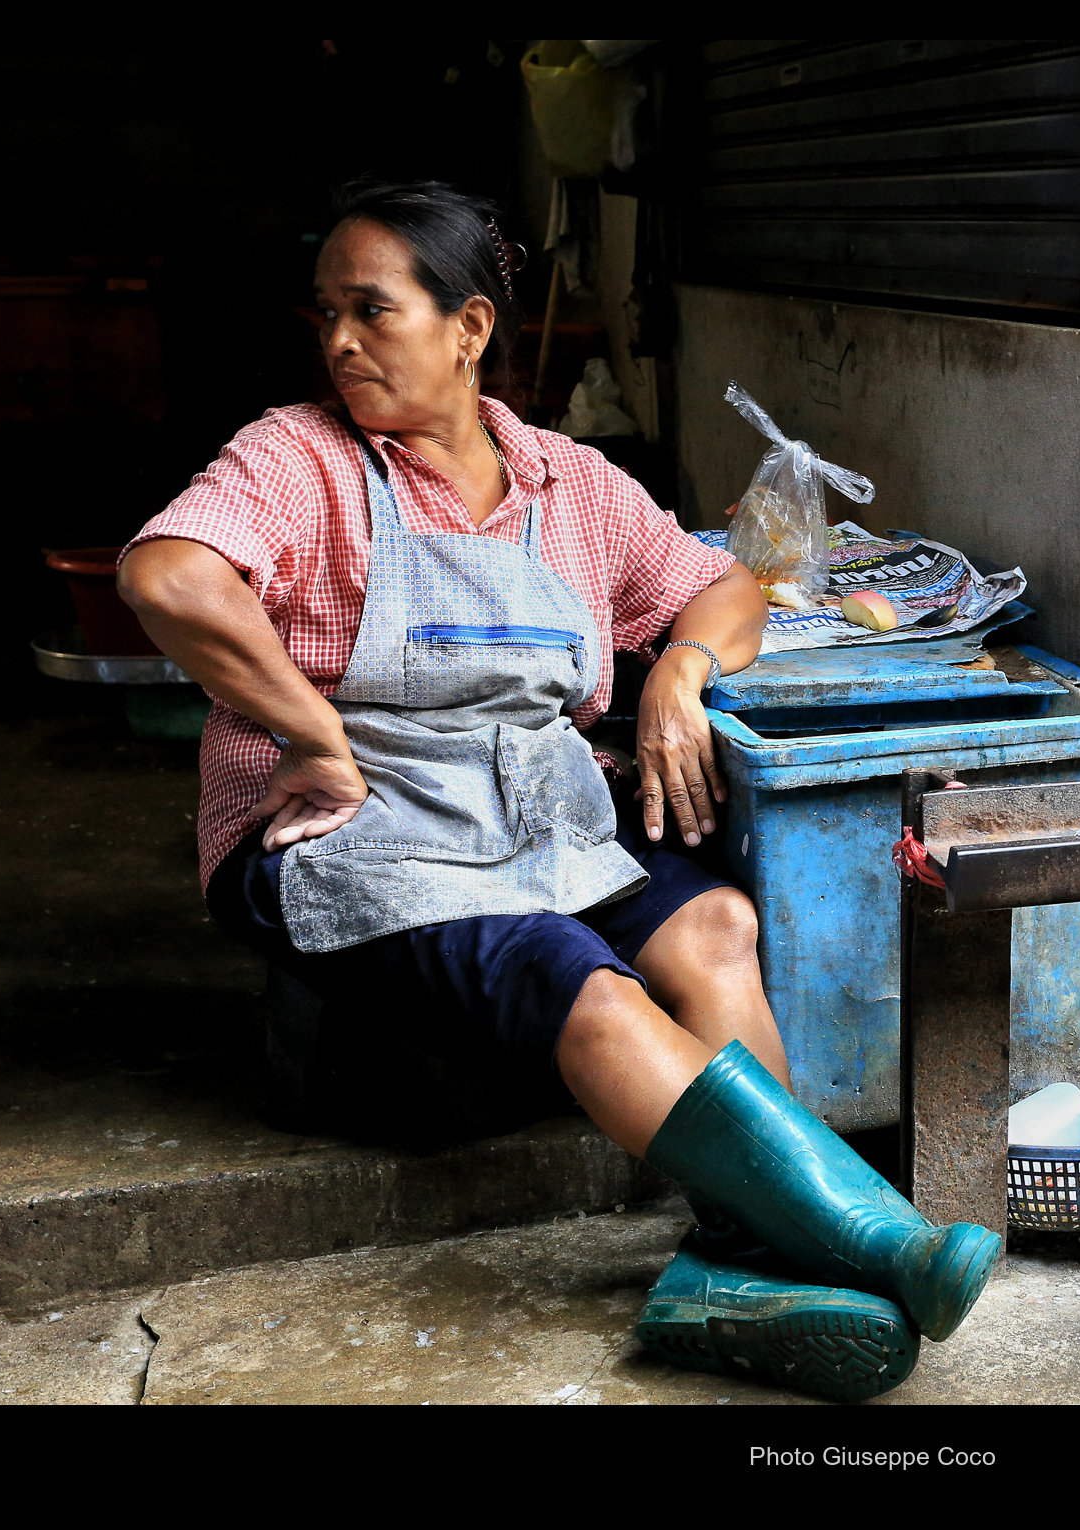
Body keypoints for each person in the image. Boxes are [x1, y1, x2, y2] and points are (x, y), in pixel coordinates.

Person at [117, 180, 996, 1402]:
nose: (338, 342)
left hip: (534, 819)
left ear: (468, 330)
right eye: (325, 314)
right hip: (350, 833)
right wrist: (310, 731)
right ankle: (863, 1239)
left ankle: (740, 1266)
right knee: (567, 975)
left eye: (372, 311)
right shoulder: (298, 457)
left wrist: (680, 668)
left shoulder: (566, 484)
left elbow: (729, 586)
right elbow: (169, 579)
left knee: (715, 921)